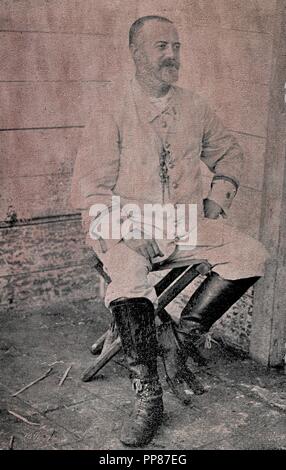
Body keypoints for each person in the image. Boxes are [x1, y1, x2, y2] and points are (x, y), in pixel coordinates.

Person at [71, 15, 269, 447]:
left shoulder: (195, 106)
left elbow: (230, 155)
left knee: (251, 253)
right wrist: (123, 230)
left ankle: (179, 338)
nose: (171, 56)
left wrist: (216, 202)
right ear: (137, 53)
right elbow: (91, 190)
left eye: (176, 47)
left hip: (180, 223)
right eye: (161, 47)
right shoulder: (112, 109)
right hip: (124, 225)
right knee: (127, 274)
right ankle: (148, 396)